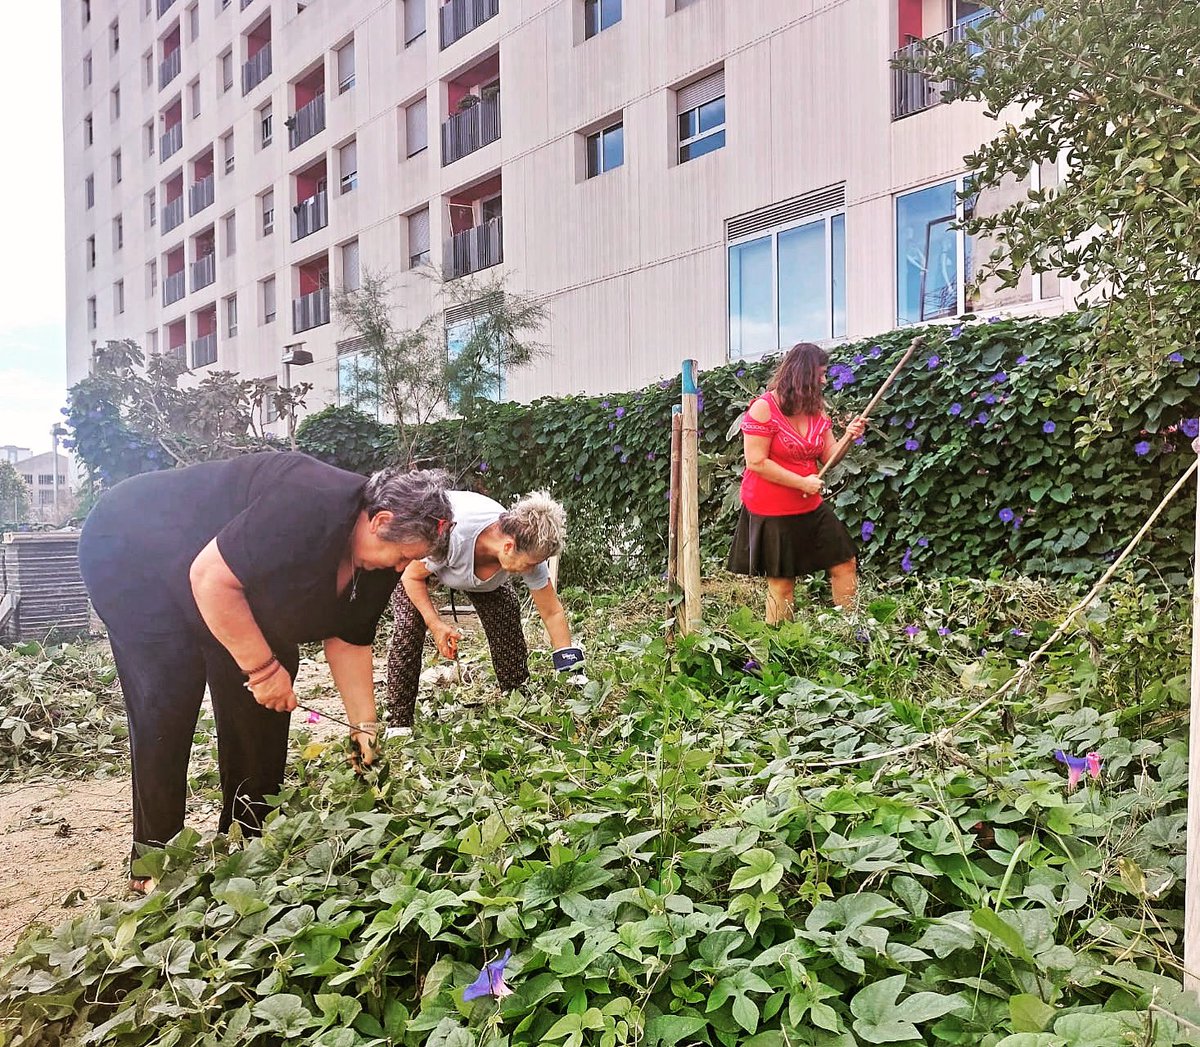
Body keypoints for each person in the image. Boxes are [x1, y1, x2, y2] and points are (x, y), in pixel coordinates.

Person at [78, 452, 452, 892]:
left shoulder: (381, 560)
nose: (401, 569)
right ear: (379, 521)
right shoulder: (309, 502)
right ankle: (153, 860)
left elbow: (350, 638)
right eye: (402, 556)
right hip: (134, 549)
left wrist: (363, 729)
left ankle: (247, 839)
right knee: (169, 690)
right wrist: (260, 669)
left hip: (220, 580)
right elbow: (211, 578)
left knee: (272, 678)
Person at [386, 490, 582, 731]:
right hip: (416, 565)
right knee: (409, 626)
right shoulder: (453, 533)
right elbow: (412, 577)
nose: (531, 570)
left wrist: (571, 671)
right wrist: (435, 624)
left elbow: (552, 612)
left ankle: (517, 700)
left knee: (506, 610)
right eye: (530, 564)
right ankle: (399, 723)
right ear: (508, 546)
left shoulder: (528, 549)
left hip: (474, 575)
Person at [726, 342, 867, 621]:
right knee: (782, 583)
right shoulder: (764, 408)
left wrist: (849, 438)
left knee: (844, 562)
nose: (824, 381)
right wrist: (802, 482)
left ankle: (850, 628)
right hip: (771, 507)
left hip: (808, 503)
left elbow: (829, 457)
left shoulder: (816, 409)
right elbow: (756, 462)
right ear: (803, 374)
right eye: (820, 374)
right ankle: (781, 643)